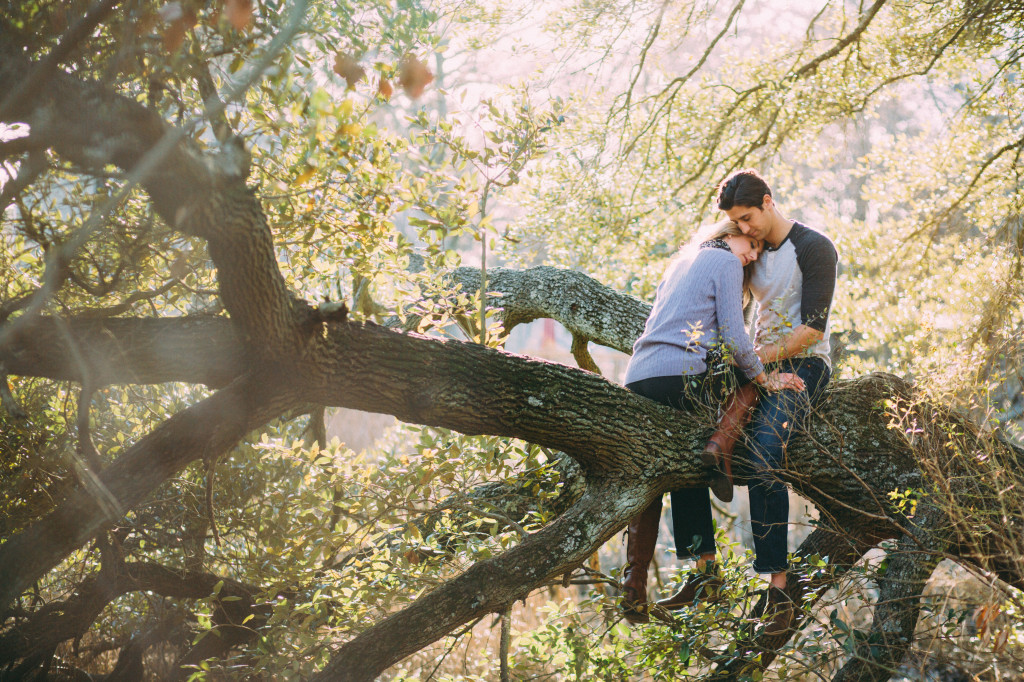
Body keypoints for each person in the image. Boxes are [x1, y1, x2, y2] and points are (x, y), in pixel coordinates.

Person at [621, 170, 838, 635]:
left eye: (748, 219)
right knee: (685, 449)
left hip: (802, 367)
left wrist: (757, 364)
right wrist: (744, 368)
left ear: (768, 201)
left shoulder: (815, 247)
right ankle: (702, 574)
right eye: (737, 224)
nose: (747, 233)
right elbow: (723, 320)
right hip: (755, 371)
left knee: (764, 454)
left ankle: (778, 590)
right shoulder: (739, 253)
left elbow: (814, 328)